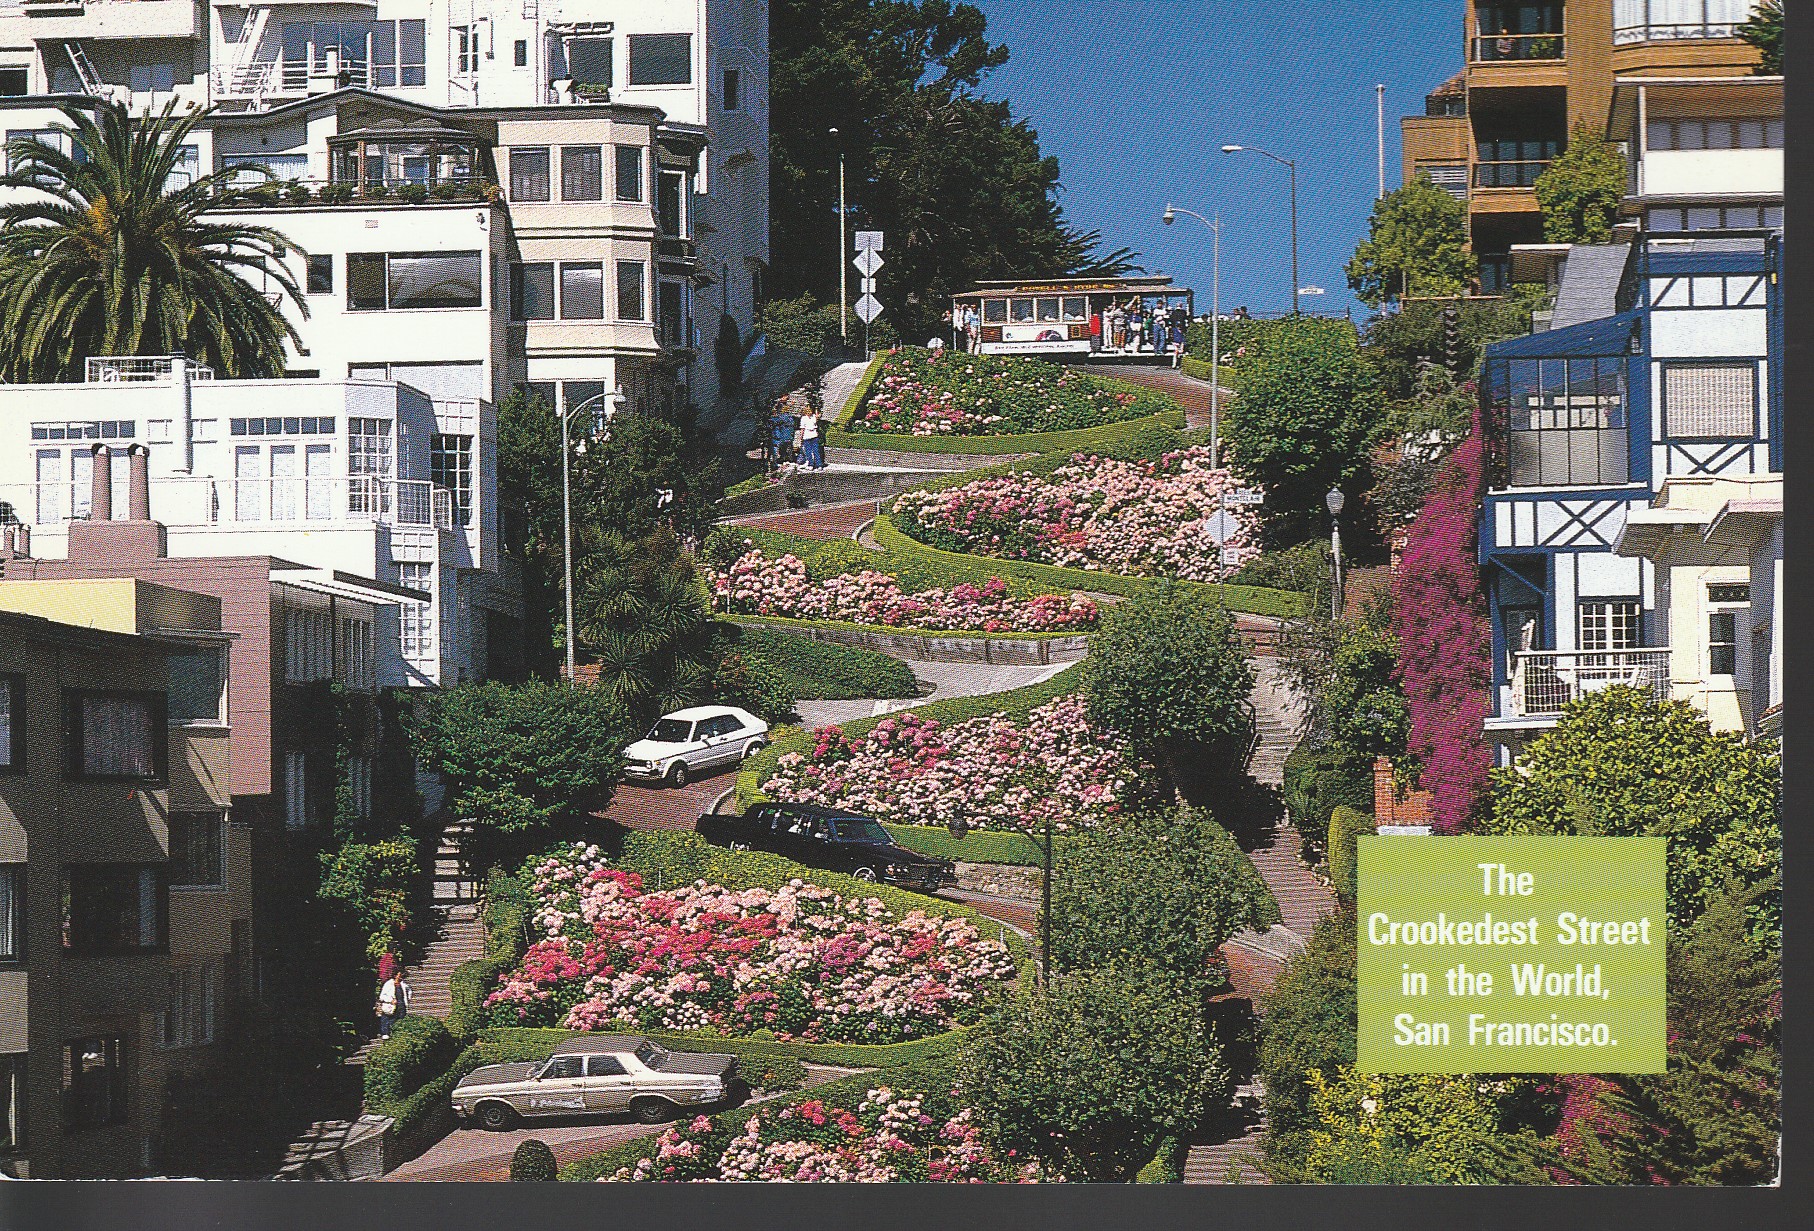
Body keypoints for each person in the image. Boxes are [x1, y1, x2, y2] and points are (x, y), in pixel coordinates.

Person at [376, 970, 411, 1038]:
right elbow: (382, 996)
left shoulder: (403, 984)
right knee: (387, 1019)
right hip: (390, 1006)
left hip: (401, 1005)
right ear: (395, 976)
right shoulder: (389, 984)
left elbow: (409, 991)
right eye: (399, 975)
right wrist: (391, 1000)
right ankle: (385, 1033)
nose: (401, 977)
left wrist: (407, 999)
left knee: (400, 1019)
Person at [799, 405, 825, 469]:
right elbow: (818, 416)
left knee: (809, 451)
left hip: (807, 436)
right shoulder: (814, 417)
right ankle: (818, 465)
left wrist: (801, 437)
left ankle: (811, 464)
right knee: (815, 451)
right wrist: (816, 410)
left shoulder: (804, 418)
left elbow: (802, 429)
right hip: (814, 435)